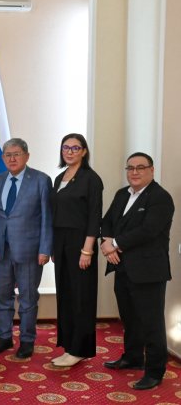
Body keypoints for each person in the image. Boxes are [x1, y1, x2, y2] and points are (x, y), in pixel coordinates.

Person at [101, 152, 174, 391]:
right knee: (129, 317)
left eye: (140, 167)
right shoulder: (122, 194)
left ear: (151, 170)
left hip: (148, 271)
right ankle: (133, 357)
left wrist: (115, 244)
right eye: (130, 168)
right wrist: (107, 243)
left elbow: (148, 230)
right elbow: (107, 221)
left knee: (151, 323)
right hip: (122, 267)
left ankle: (154, 371)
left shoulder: (160, 198)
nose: (134, 172)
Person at [0, 138, 52, 359]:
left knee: (27, 298)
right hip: (1, 250)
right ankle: (4, 336)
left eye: (16, 154)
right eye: (8, 155)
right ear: (3, 158)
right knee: (1, 297)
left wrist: (45, 249)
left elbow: (47, 217)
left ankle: (27, 340)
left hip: (29, 251)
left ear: (27, 156)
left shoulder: (41, 180)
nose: (12, 159)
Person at [50, 134, 102, 367]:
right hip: (61, 243)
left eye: (75, 148)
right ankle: (69, 346)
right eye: (66, 147)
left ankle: (80, 349)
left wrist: (87, 250)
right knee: (66, 295)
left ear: (84, 151)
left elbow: (94, 216)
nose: (69, 152)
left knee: (81, 297)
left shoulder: (91, 179)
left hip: (81, 244)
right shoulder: (59, 177)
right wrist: (55, 247)